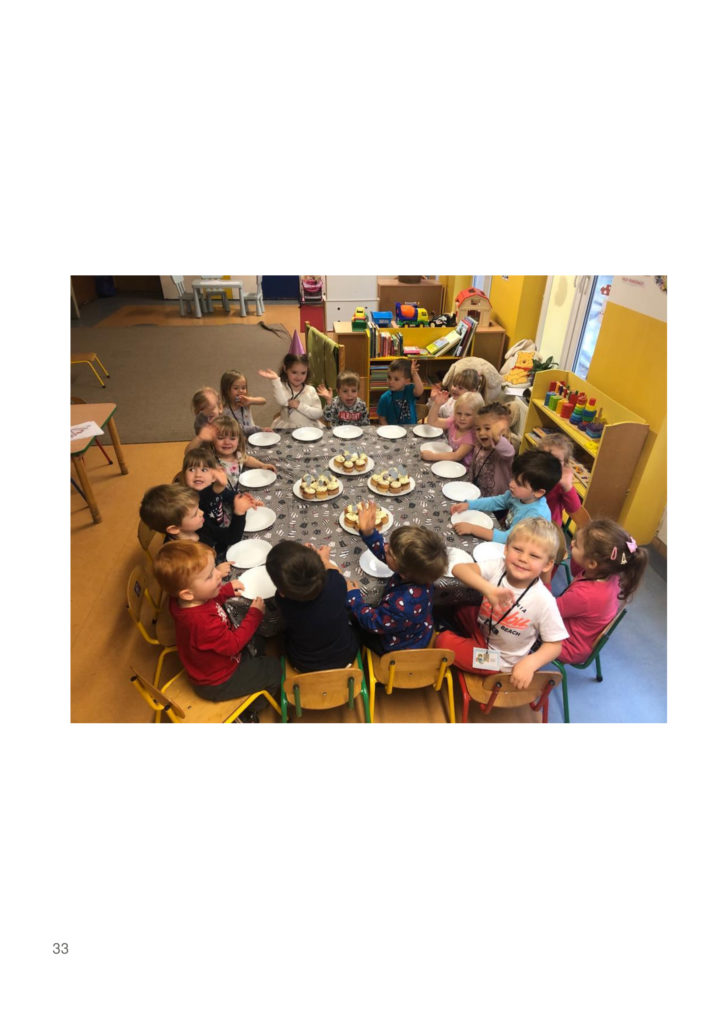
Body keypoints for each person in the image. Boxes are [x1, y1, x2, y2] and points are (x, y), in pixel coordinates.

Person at [152, 541, 281, 719]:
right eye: (209, 576)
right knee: (274, 669)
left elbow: (208, 601)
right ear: (187, 593)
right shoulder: (201, 622)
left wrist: (224, 591)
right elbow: (233, 645)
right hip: (219, 680)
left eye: (214, 569)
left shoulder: (185, 601)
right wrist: (255, 614)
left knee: (257, 641)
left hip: (219, 663)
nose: (218, 574)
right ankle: (250, 709)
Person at [435, 518, 567, 689]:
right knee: (460, 607)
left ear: (547, 564)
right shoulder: (500, 566)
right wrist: (488, 590)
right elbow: (458, 569)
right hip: (484, 629)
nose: (523, 558)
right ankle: (469, 640)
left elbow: (555, 645)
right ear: (506, 548)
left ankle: (464, 643)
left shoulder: (544, 601)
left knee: (443, 641)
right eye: (517, 549)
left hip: (498, 661)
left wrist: (531, 663)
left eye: (534, 556)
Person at [346, 502, 448, 653]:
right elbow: (388, 556)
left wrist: (354, 598)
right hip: (418, 630)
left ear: (404, 573)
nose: (385, 547)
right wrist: (369, 533)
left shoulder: (401, 605)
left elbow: (372, 623)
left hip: (397, 645)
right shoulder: (422, 572)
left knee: (351, 626)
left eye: (390, 553)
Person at [556, 519, 647, 665]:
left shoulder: (585, 595)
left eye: (576, 545)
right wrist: (577, 554)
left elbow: (548, 612)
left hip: (567, 646)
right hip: (583, 639)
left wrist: (546, 579)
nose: (571, 543)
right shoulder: (611, 574)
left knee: (524, 614)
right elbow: (576, 572)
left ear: (592, 564)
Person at [266, 541, 360, 671]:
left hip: (303, 665)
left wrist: (308, 560)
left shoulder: (283, 600)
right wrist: (324, 560)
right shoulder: (336, 583)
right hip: (345, 656)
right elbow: (337, 573)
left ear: (282, 592)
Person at [450, 449, 562, 543]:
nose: (511, 484)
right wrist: (469, 505)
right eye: (513, 478)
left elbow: (509, 538)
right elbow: (496, 502)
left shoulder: (535, 515)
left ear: (538, 492)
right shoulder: (519, 495)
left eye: (519, 483)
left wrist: (472, 529)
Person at [139, 480, 258, 562]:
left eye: (198, 508)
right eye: (195, 513)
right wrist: (216, 572)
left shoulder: (199, 525)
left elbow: (230, 537)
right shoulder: (180, 557)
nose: (202, 512)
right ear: (174, 529)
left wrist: (239, 512)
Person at [211, 415, 276, 494]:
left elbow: (246, 459)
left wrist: (262, 465)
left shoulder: (237, 454)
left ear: (239, 440)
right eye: (221, 438)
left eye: (232, 438)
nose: (227, 442)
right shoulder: (210, 461)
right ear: (211, 439)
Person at [258, 354, 324, 430]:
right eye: (294, 372)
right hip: (287, 429)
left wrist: (300, 406)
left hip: (308, 429)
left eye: (303, 373)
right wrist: (275, 380)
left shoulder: (310, 390)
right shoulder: (281, 387)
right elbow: (282, 401)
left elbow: (318, 413)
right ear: (285, 368)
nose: (299, 377)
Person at [421, 391, 484, 467]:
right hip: (449, 461)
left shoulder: (472, 434)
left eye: (468, 415)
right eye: (459, 413)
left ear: (477, 416)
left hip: (463, 469)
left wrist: (432, 456)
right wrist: (437, 404)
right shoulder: (454, 421)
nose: (462, 418)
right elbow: (432, 422)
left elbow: (457, 456)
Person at [468, 403, 516, 498]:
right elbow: (474, 467)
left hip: (497, 501)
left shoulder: (503, 450)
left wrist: (497, 437)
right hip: (478, 494)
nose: (481, 432)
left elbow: (510, 452)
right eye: (478, 429)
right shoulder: (479, 446)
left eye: (487, 428)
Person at [535, 433, 582, 527]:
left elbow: (574, 508)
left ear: (564, 464)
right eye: (546, 456)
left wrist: (567, 486)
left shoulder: (561, 483)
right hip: (527, 519)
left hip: (548, 527)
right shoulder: (532, 471)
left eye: (557, 460)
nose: (550, 463)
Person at [219, 369, 269, 437]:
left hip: (253, 436)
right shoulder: (224, 410)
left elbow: (263, 401)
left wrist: (250, 400)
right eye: (236, 388)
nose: (241, 391)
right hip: (237, 439)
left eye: (243, 388)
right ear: (226, 390)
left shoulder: (246, 402)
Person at [376, 358, 425, 426]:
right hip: (392, 430)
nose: (391, 382)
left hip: (410, 429)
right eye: (389, 377)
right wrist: (388, 430)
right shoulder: (384, 398)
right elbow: (382, 418)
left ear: (407, 381)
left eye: (396, 379)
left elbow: (420, 391)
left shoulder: (409, 390)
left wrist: (414, 374)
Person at [185, 387, 222, 453]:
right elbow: (188, 452)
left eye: (212, 408)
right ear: (196, 412)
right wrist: (200, 438)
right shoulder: (201, 423)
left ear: (220, 408)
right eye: (203, 409)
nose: (209, 412)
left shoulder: (229, 421)